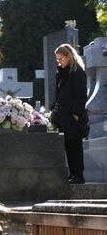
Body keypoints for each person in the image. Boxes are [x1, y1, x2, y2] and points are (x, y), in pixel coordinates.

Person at [54, 43, 88, 184]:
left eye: (61, 59)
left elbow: (81, 95)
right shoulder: (62, 74)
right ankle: (72, 174)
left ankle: (78, 175)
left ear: (69, 57)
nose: (59, 62)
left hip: (74, 116)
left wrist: (76, 113)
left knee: (75, 147)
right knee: (68, 146)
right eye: (57, 59)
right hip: (64, 117)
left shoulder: (77, 73)